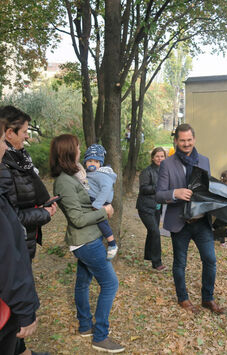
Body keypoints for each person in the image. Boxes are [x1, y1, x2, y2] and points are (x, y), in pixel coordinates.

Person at [49, 134, 124, 353]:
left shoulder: (74, 175)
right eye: (78, 148)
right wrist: (104, 211)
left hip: (88, 239)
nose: (81, 151)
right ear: (69, 151)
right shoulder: (64, 181)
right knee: (110, 284)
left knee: (82, 283)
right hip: (85, 242)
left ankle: (85, 326)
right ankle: (100, 336)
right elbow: (77, 219)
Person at [0, 106, 56, 355]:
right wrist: (44, 214)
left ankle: (21, 350)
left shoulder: (20, 159)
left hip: (24, 243)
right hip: (16, 246)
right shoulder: (6, 165)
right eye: (24, 132)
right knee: (10, 307)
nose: (27, 137)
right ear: (9, 133)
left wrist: (43, 205)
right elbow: (12, 216)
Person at [156, 123, 224, 315]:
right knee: (180, 263)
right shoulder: (167, 164)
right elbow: (159, 195)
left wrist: (225, 196)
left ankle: (208, 298)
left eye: (189, 140)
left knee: (210, 260)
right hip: (180, 223)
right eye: (182, 140)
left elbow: (208, 188)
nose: (186, 144)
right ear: (176, 141)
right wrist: (175, 193)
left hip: (202, 222)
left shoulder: (204, 160)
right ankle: (183, 298)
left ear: (194, 139)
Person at [83, 144, 118, 260]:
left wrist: (97, 204)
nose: (93, 163)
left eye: (96, 162)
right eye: (90, 161)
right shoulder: (90, 173)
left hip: (100, 201)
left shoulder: (101, 174)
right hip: (95, 200)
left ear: (100, 164)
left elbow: (106, 189)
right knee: (97, 223)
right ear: (85, 162)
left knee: (102, 223)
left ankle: (112, 244)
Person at [136, 147, 167, 271]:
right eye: (157, 156)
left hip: (157, 207)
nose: (160, 158)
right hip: (145, 207)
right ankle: (157, 262)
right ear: (152, 157)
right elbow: (143, 189)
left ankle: (148, 255)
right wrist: (158, 187)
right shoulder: (147, 171)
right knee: (155, 232)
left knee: (152, 232)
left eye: (162, 156)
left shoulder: (165, 171)